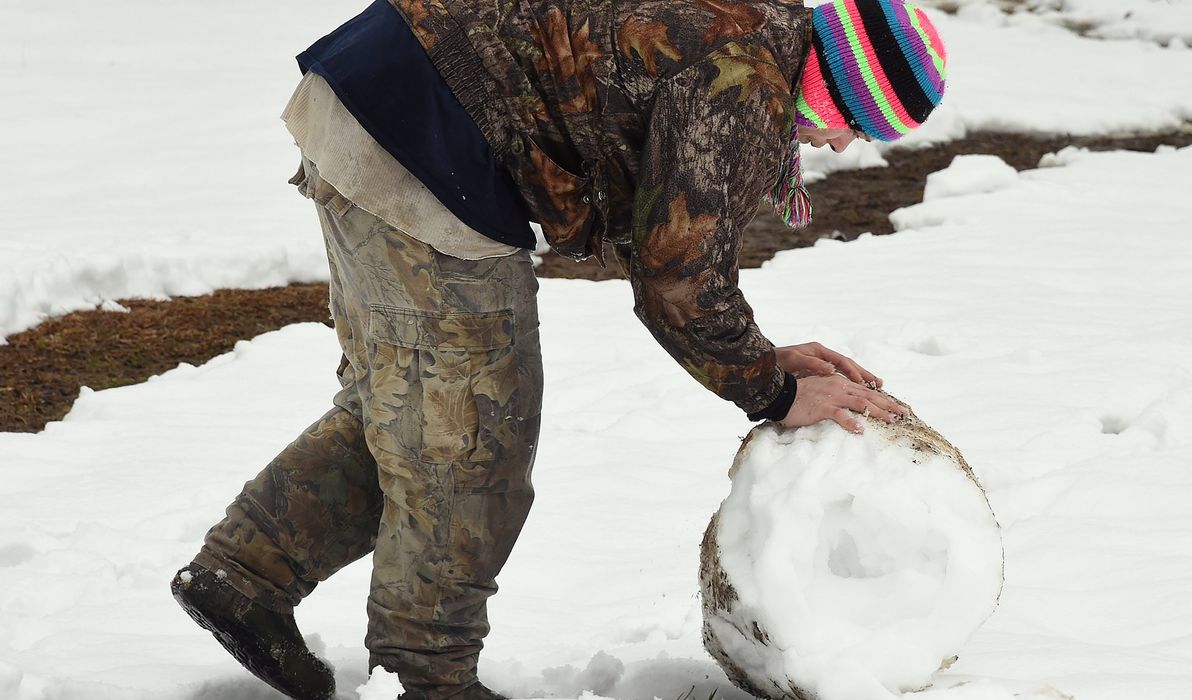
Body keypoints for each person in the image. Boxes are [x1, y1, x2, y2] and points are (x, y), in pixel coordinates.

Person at [170, 0, 948, 698]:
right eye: (863, 125)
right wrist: (771, 392)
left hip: (385, 92)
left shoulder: (747, 26)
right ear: (841, 89)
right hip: (421, 135)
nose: (844, 145)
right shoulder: (745, 78)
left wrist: (759, 356)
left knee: (418, 406)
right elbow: (677, 272)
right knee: (474, 433)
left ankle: (246, 575)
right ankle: (422, 678)